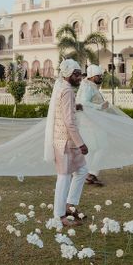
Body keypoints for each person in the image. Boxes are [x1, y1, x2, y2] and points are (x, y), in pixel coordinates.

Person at [44, 59, 89, 227]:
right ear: (69, 75)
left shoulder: (62, 87)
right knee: (63, 177)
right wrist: (81, 143)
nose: (80, 78)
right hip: (65, 141)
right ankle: (59, 216)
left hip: (66, 140)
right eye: (77, 75)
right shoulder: (67, 90)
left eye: (80, 74)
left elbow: (62, 108)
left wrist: (74, 106)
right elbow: (69, 122)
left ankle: (70, 205)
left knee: (82, 170)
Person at [76, 64, 111, 186]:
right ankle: (90, 174)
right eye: (98, 76)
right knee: (102, 147)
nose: (101, 77)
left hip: (93, 122)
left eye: (101, 75)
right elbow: (83, 102)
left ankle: (89, 174)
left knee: (95, 148)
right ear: (91, 76)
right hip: (91, 123)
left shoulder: (90, 85)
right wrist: (99, 107)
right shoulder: (88, 87)